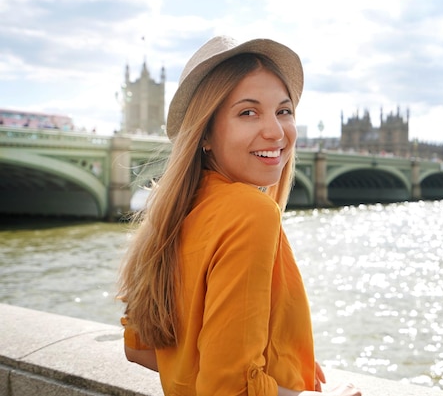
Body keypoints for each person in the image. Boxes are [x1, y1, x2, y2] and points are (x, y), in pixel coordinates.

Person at [118, 35, 362, 396]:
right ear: (205, 134)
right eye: (248, 112)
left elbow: (139, 349)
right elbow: (227, 391)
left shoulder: (176, 210)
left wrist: (277, 356)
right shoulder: (250, 212)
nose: (275, 131)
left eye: (284, 111)